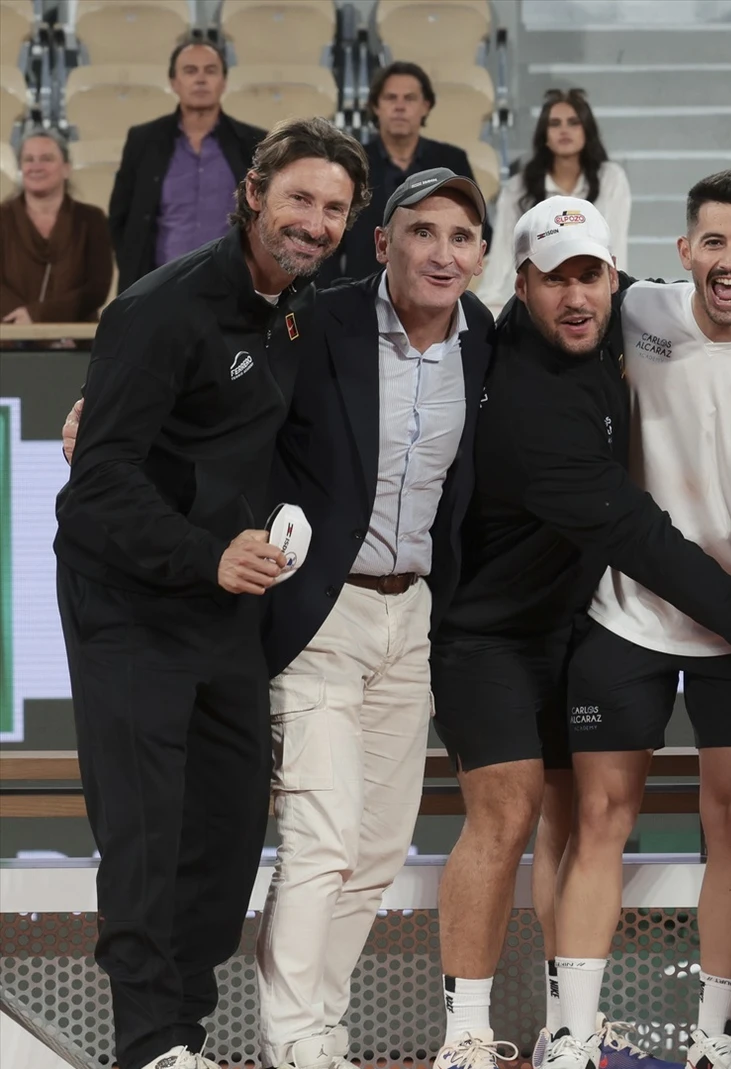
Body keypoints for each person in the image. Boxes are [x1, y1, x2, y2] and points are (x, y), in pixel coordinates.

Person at [425, 195, 731, 1069]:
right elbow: (645, 541)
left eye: (591, 274)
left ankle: (689, 1036)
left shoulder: (705, 325)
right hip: (576, 621)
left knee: (694, 825)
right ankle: (525, 1037)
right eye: (556, 279)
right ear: (525, 285)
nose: (577, 295)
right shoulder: (547, 385)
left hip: (667, 614)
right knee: (559, 818)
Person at [55, 117, 369, 1069]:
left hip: (221, 602)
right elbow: (98, 483)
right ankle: (150, 1045)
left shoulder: (304, 305)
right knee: (148, 835)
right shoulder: (161, 309)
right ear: (253, 197)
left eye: (333, 208)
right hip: (131, 604)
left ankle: (180, 1033)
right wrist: (204, 555)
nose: (313, 222)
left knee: (228, 837)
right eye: (299, 199)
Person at [538, 168, 731, 1069]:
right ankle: (572, 1036)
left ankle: (714, 1038)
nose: (729, 260)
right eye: (713, 242)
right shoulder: (636, 312)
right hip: (627, 614)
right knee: (599, 817)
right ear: (683, 251)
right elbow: (550, 310)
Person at [249, 169, 493, 1069]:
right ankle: (292, 1039)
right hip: (319, 610)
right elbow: (226, 394)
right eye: (422, 232)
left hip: (413, 616)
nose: (442, 251)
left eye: (461, 236)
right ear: (383, 243)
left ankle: (321, 1024)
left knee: (380, 846)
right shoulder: (320, 321)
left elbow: (607, 316)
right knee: (321, 838)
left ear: (479, 257)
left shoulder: (485, 337)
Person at [106, 38, 266, 287]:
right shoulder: (143, 140)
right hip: (158, 289)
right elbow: (120, 217)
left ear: (224, 82)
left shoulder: (252, 142)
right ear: (173, 82)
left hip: (234, 289)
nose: (201, 79)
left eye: (210, 71)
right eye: (190, 71)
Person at [326, 61, 487, 282]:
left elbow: (478, 230)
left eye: (409, 98)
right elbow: (329, 232)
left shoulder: (452, 160)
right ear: (375, 106)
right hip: (359, 294)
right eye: (391, 98)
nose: (399, 107)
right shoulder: (350, 160)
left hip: (434, 286)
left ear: (426, 106)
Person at [477, 89, 631, 312]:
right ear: (544, 135)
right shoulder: (517, 188)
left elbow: (615, 248)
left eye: (573, 122)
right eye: (555, 123)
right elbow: (503, 256)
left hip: (593, 289)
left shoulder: (611, 179)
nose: (564, 130)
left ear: (587, 131)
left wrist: (615, 299)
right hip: (531, 295)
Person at [0, 129, 113, 323]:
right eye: (29, 159)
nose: (36, 166)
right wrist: (21, 320)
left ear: (66, 168)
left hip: (75, 340)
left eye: (47, 158)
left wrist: (38, 315)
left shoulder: (92, 219)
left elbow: (97, 288)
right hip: (9, 338)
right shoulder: (3, 217)